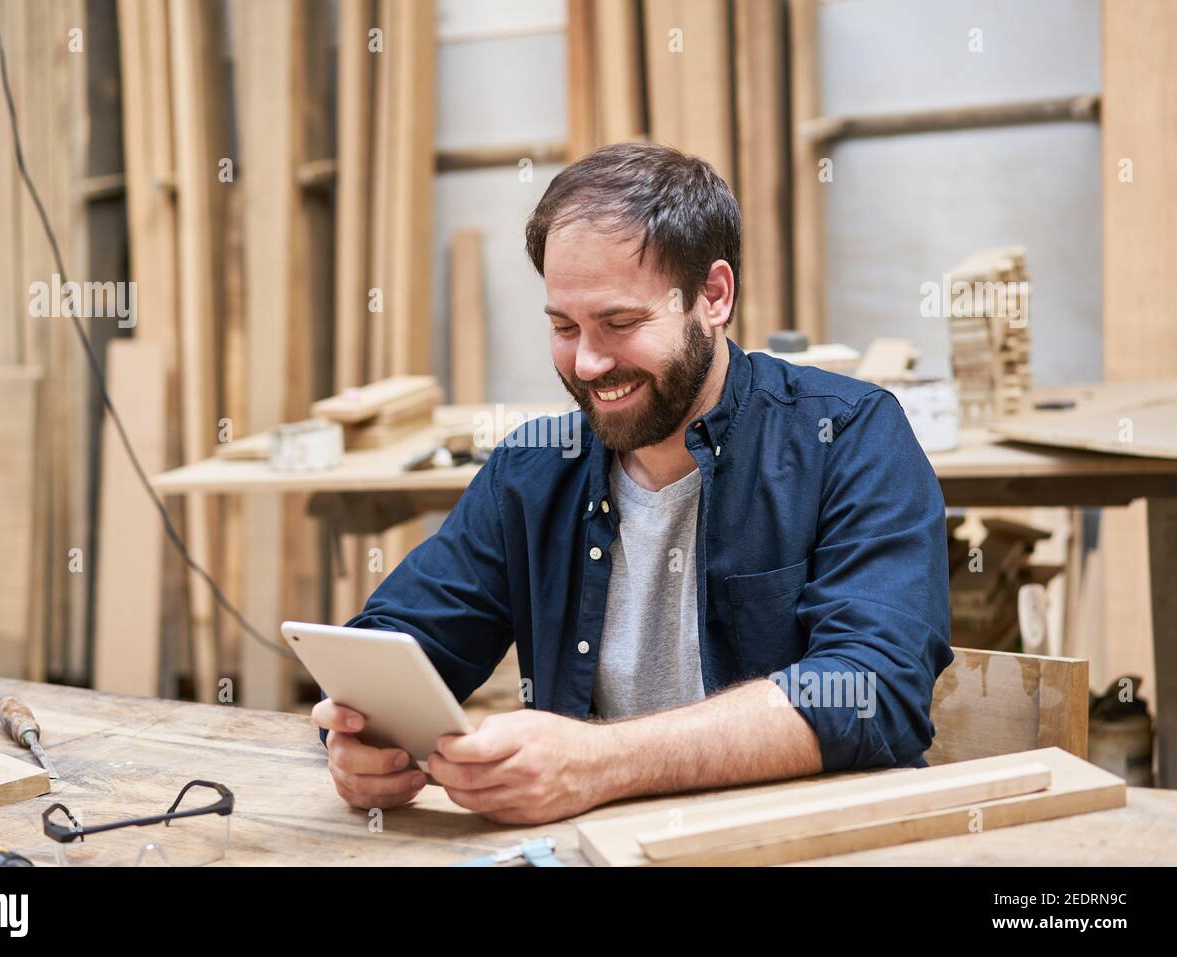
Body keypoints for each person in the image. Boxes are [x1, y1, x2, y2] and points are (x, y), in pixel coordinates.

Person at [313, 142, 953, 825]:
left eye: (620, 323)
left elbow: (874, 689)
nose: (588, 363)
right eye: (564, 326)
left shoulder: (850, 437)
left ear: (713, 295)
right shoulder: (532, 471)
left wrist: (602, 762)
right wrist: (357, 738)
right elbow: (393, 645)